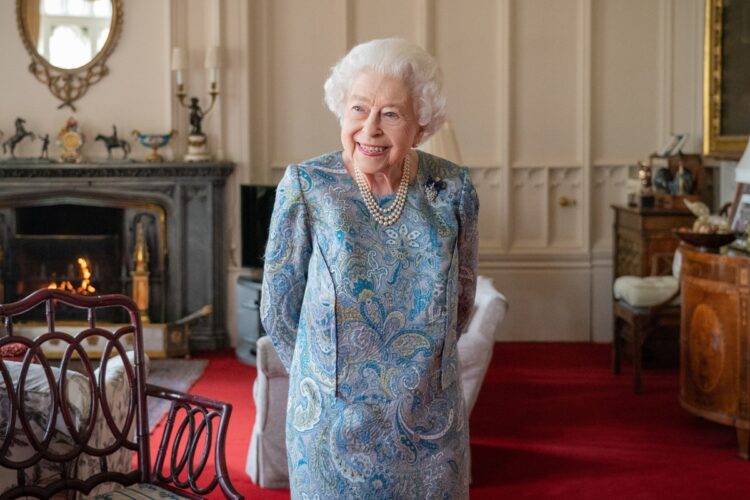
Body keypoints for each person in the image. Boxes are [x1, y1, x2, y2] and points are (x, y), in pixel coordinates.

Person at [260, 37, 478, 499]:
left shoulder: (452, 188)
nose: (370, 129)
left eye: (391, 114)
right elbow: (278, 308)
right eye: (359, 109)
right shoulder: (307, 186)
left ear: (420, 125)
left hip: (430, 421)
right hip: (331, 422)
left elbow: (461, 299)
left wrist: (424, 374)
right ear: (342, 111)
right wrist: (321, 378)